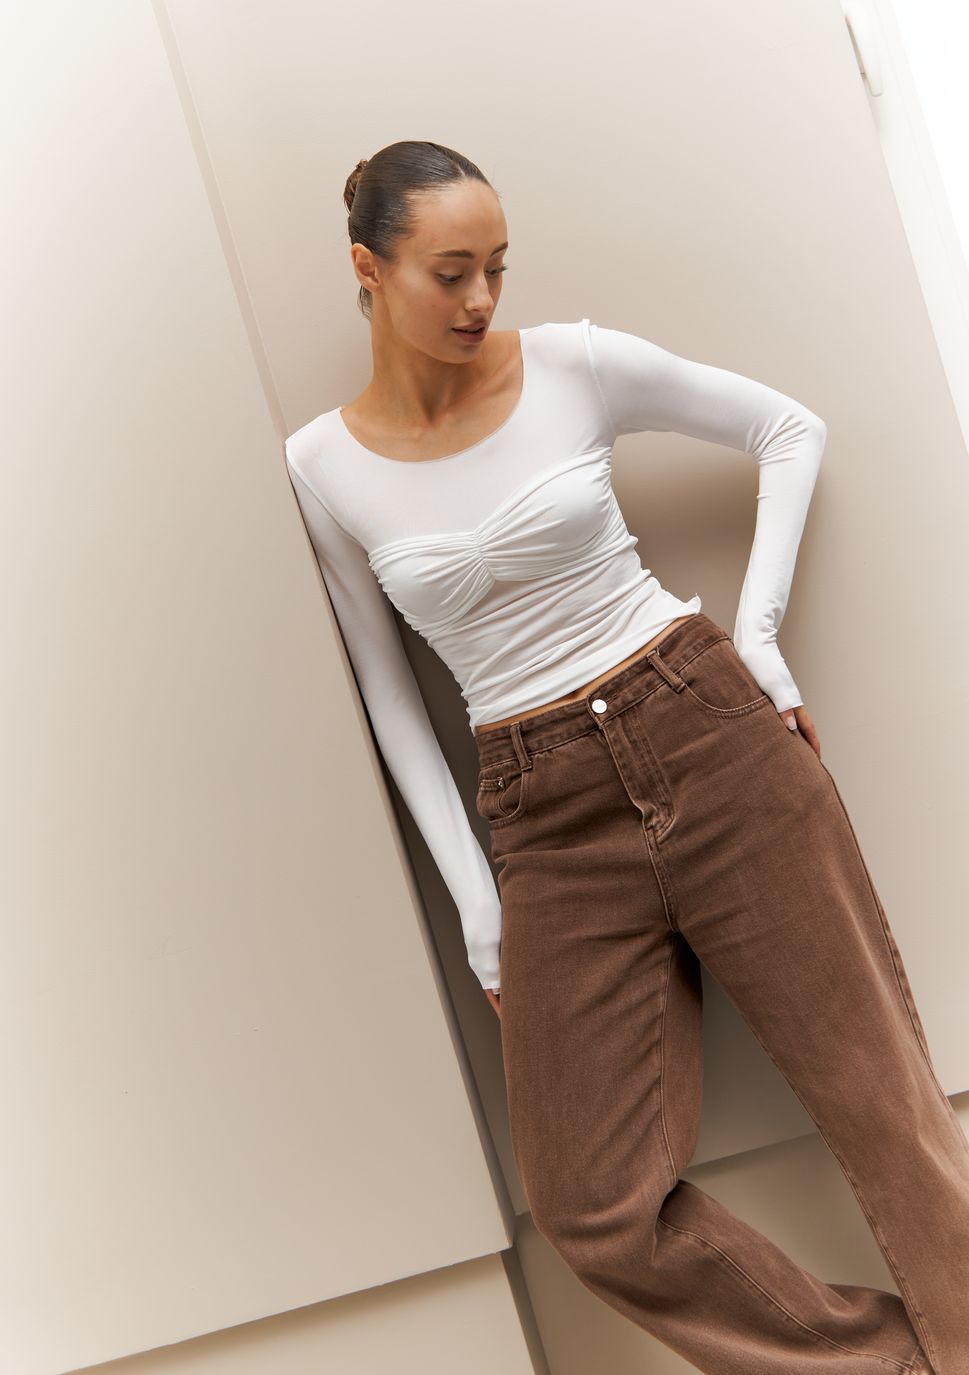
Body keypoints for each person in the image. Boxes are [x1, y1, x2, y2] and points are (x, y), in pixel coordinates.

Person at [284, 139, 969, 1374]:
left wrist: (760, 637)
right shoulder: (322, 464)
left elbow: (787, 427)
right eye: (451, 271)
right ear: (368, 270)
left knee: (887, 1111)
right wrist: (477, 905)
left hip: (705, 729)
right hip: (541, 813)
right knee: (590, 1204)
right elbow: (391, 695)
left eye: (498, 266)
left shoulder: (572, 365)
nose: (483, 297)